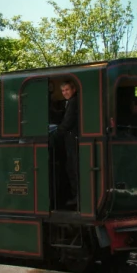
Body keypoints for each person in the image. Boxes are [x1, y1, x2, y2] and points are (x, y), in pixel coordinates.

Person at [53, 80, 79, 208]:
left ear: (73, 89)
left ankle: (77, 197)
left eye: (67, 90)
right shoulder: (71, 102)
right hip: (72, 139)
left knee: (73, 168)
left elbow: (67, 122)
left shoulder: (74, 102)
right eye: (63, 91)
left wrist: (56, 132)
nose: (64, 93)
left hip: (73, 140)